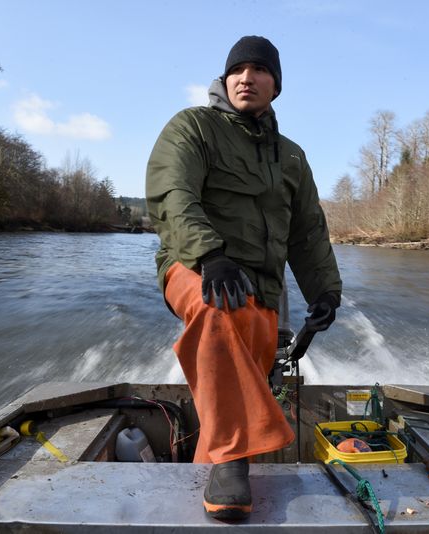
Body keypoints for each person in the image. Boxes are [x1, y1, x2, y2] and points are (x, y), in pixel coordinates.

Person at [145, 35, 342, 521]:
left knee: (243, 352)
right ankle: (234, 460)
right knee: (218, 308)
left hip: (262, 292)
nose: (246, 77)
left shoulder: (292, 156)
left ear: (276, 84)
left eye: (259, 70)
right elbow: (173, 193)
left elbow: (307, 231)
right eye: (237, 69)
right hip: (195, 268)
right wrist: (210, 254)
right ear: (225, 78)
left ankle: (210, 473)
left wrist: (325, 292)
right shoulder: (194, 126)